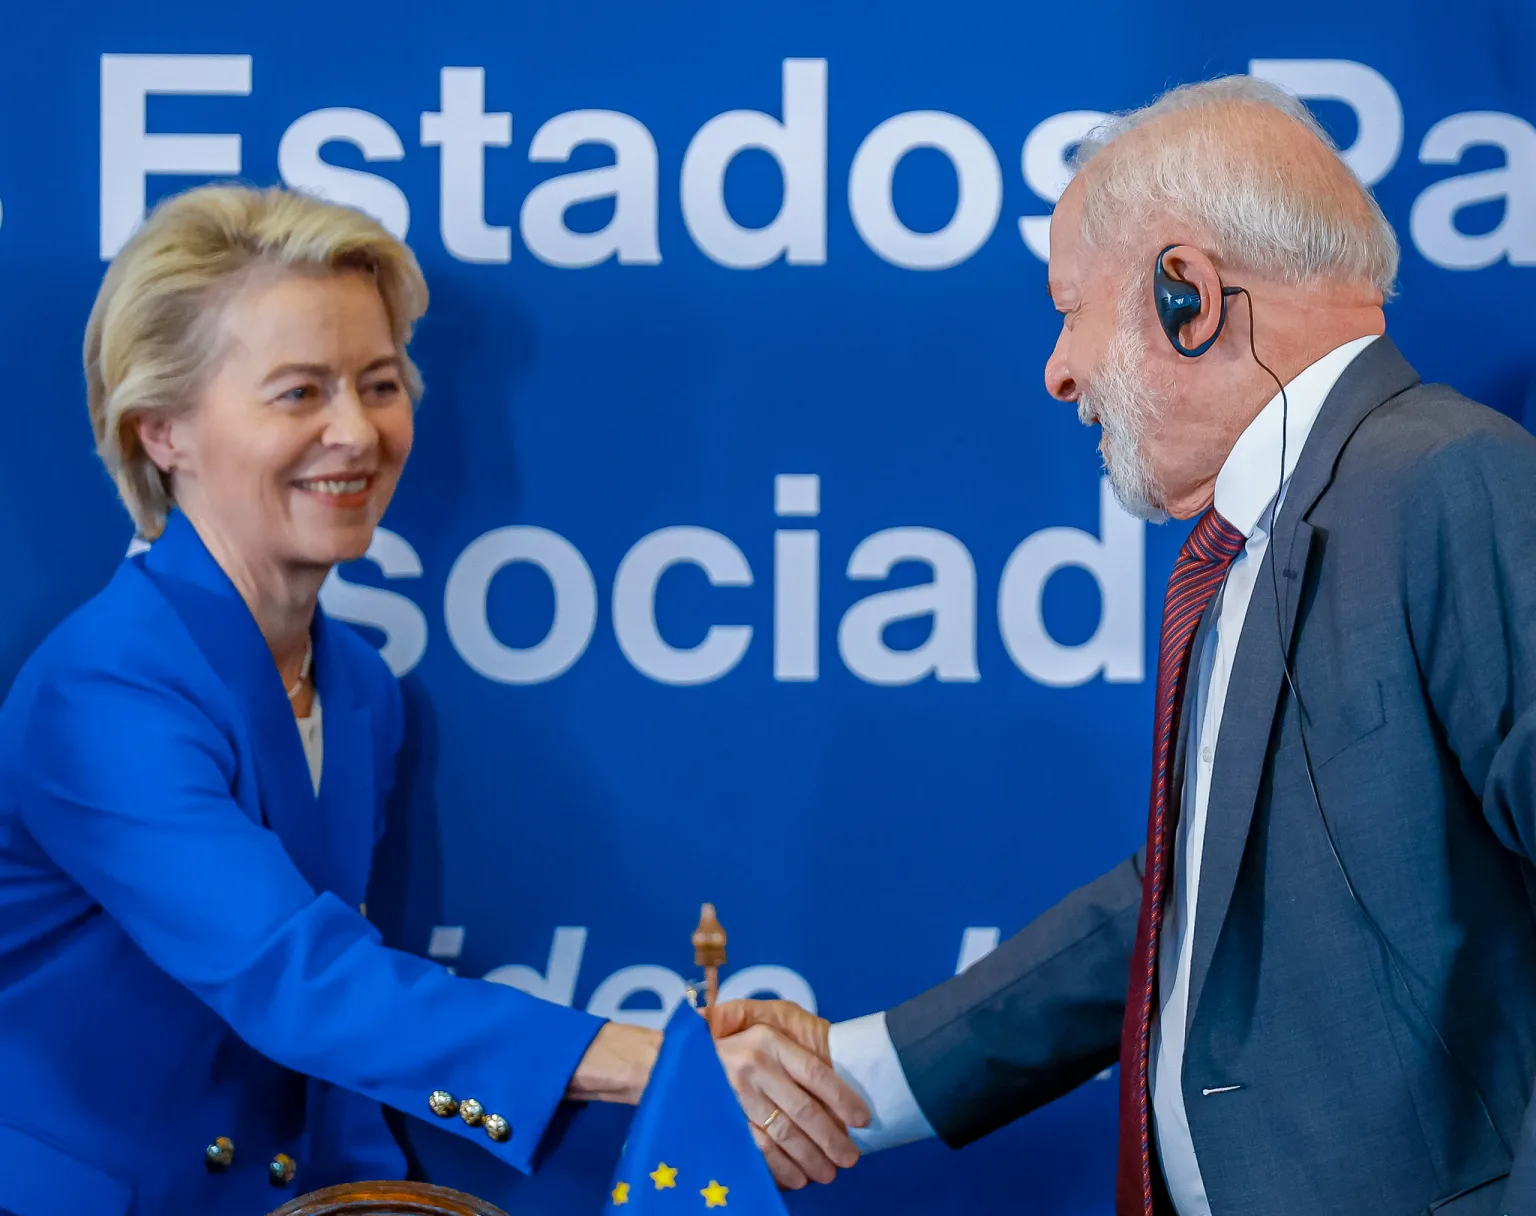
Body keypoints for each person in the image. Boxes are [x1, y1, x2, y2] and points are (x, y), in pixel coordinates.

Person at [729, 76, 1536, 1215]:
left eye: (1068, 308)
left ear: (1187, 297)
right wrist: (857, 1074)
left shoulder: (1452, 479)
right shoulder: (1251, 541)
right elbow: (1190, 901)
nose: (1057, 370)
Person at [0, 185, 866, 1216]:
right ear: (162, 432)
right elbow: (300, 979)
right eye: (298, 393)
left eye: (378, 383)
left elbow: (334, 1047)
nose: (356, 432)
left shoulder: (359, 685)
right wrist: (655, 1058)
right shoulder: (104, 688)